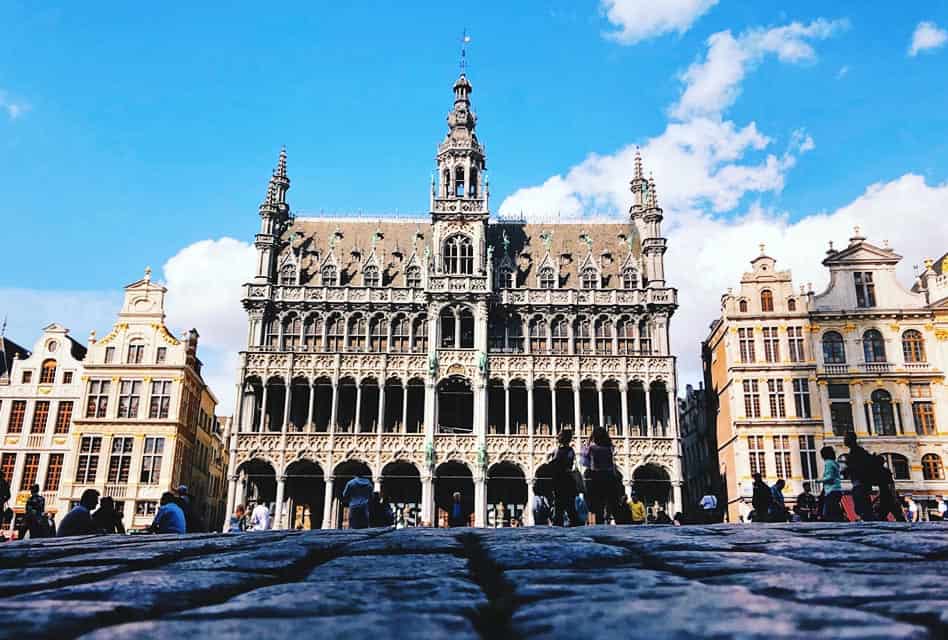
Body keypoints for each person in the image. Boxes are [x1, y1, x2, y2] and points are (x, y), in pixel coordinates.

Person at [586, 426, 621, 525]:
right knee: (613, 504)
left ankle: (600, 527)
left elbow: (584, 460)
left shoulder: (592, 448)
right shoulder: (609, 448)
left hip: (596, 477)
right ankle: (620, 525)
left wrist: (589, 441)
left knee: (598, 507)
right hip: (609, 477)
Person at [550, 429, 580, 527]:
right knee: (563, 505)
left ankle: (565, 523)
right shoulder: (564, 450)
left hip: (563, 480)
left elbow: (566, 463)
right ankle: (566, 523)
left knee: (565, 505)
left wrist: (554, 462)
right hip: (562, 479)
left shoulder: (566, 451)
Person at [819, 446, 845, 522]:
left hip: (831, 490)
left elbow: (829, 477)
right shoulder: (835, 463)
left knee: (828, 513)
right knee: (835, 510)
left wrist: (819, 480)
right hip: (837, 489)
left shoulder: (828, 463)